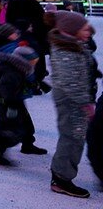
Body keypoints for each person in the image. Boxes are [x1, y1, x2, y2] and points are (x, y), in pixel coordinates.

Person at [48, 11, 95, 199]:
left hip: (75, 98)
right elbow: (70, 81)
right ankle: (61, 179)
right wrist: (86, 103)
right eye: (84, 29)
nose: (89, 32)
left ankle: (62, 174)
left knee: (76, 136)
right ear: (72, 30)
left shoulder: (73, 44)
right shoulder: (65, 50)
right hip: (70, 100)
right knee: (71, 137)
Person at [0, 45, 37, 166]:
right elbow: (6, 88)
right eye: (33, 61)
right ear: (25, 60)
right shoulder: (13, 71)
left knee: (11, 125)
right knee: (10, 127)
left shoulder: (15, 68)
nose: (34, 64)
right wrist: (12, 105)